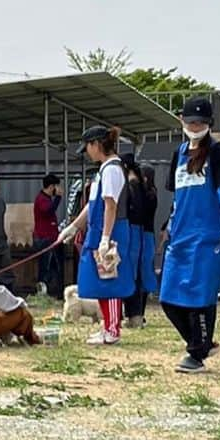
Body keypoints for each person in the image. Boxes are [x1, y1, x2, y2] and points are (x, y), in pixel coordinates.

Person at [157, 94, 220, 373]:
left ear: (209, 123)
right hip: (181, 236)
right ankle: (202, 343)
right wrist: (168, 227)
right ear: (181, 121)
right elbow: (177, 198)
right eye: (191, 121)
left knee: (200, 298)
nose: (195, 125)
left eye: (201, 122)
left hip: (208, 237)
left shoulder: (219, 152)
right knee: (168, 299)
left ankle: (196, 354)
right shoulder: (179, 153)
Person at [57, 125, 134, 345]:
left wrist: (105, 238)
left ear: (96, 144)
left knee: (108, 280)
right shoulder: (103, 170)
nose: (87, 152)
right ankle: (106, 327)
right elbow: (93, 205)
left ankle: (112, 329)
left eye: (88, 147)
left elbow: (110, 205)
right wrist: (74, 227)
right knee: (96, 281)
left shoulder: (112, 169)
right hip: (98, 229)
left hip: (110, 231)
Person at [121, 156, 152, 328]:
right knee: (135, 275)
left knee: (130, 275)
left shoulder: (131, 185)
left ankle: (133, 315)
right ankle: (135, 314)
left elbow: (134, 211)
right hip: (137, 232)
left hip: (132, 232)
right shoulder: (139, 184)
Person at [32, 174, 64, 299]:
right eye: (56, 186)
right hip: (44, 238)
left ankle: (52, 292)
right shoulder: (42, 199)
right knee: (45, 267)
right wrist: (58, 198)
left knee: (53, 267)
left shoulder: (46, 198)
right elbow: (48, 211)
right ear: (51, 187)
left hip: (51, 237)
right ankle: (42, 293)